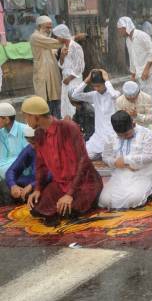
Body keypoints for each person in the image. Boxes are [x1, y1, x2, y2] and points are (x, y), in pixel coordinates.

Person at [22, 96, 103, 226]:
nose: (26, 120)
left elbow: (84, 161)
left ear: (36, 116)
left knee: (69, 211)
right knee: (36, 207)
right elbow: (41, 165)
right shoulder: (39, 134)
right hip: (60, 183)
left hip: (83, 183)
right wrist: (38, 188)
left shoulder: (68, 127)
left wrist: (70, 194)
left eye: (27, 117)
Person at [99, 111, 152, 210]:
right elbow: (106, 156)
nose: (123, 138)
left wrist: (126, 160)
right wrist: (114, 162)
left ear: (133, 124)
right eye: (120, 135)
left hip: (140, 174)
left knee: (133, 199)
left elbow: (149, 156)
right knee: (105, 200)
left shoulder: (146, 134)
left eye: (126, 134)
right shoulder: (111, 136)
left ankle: (146, 190)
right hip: (119, 175)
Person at [71, 69, 120, 159]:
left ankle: (104, 154)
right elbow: (75, 95)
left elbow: (114, 96)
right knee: (85, 156)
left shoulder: (114, 93)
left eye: (98, 86)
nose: (96, 89)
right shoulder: (94, 95)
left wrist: (107, 80)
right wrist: (87, 79)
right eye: (94, 86)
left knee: (112, 157)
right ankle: (102, 154)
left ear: (105, 83)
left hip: (112, 136)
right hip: (98, 137)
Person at [117, 17, 152, 114]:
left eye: (119, 29)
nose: (119, 32)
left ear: (125, 27)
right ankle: (146, 120)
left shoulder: (141, 35)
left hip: (150, 72)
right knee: (143, 100)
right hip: (140, 74)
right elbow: (133, 59)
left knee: (151, 99)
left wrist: (146, 70)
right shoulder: (128, 40)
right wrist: (133, 75)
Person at [30, 15, 63, 118]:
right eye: (47, 27)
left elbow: (53, 49)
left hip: (52, 74)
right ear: (40, 26)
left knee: (55, 100)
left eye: (50, 27)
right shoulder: (36, 37)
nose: (50, 29)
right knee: (46, 101)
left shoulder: (45, 38)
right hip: (43, 74)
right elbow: (56, 43)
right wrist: (70, 39)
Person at [52, 24, 84, 120]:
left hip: (74, 79)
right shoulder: (63, 47)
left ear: (62, 35)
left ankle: (76, 122)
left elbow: (80, 67)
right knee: (65, 103)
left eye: (57, 36)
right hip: (66, 79)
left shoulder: (76, 47)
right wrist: (61, 56)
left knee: (73, 101)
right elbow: (61, 65)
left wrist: (69, 79)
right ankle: (67, 121)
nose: (56, 38)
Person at [5, 126, 43, 203]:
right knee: (4, 185)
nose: (33, 146)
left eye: (34, 143)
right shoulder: (30, 149)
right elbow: (12, 170)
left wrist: (31, 186)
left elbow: (51, 175)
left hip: (46, 183)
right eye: (30, 143)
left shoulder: (52, 148)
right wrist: (13, 186)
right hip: (33, 181)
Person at [0, 103, 28, 179]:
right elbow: (1, 158)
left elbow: (27, 158)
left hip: (23, 168)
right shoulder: (1, 132)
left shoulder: (25, 130)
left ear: (7, 119)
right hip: (5, 167)